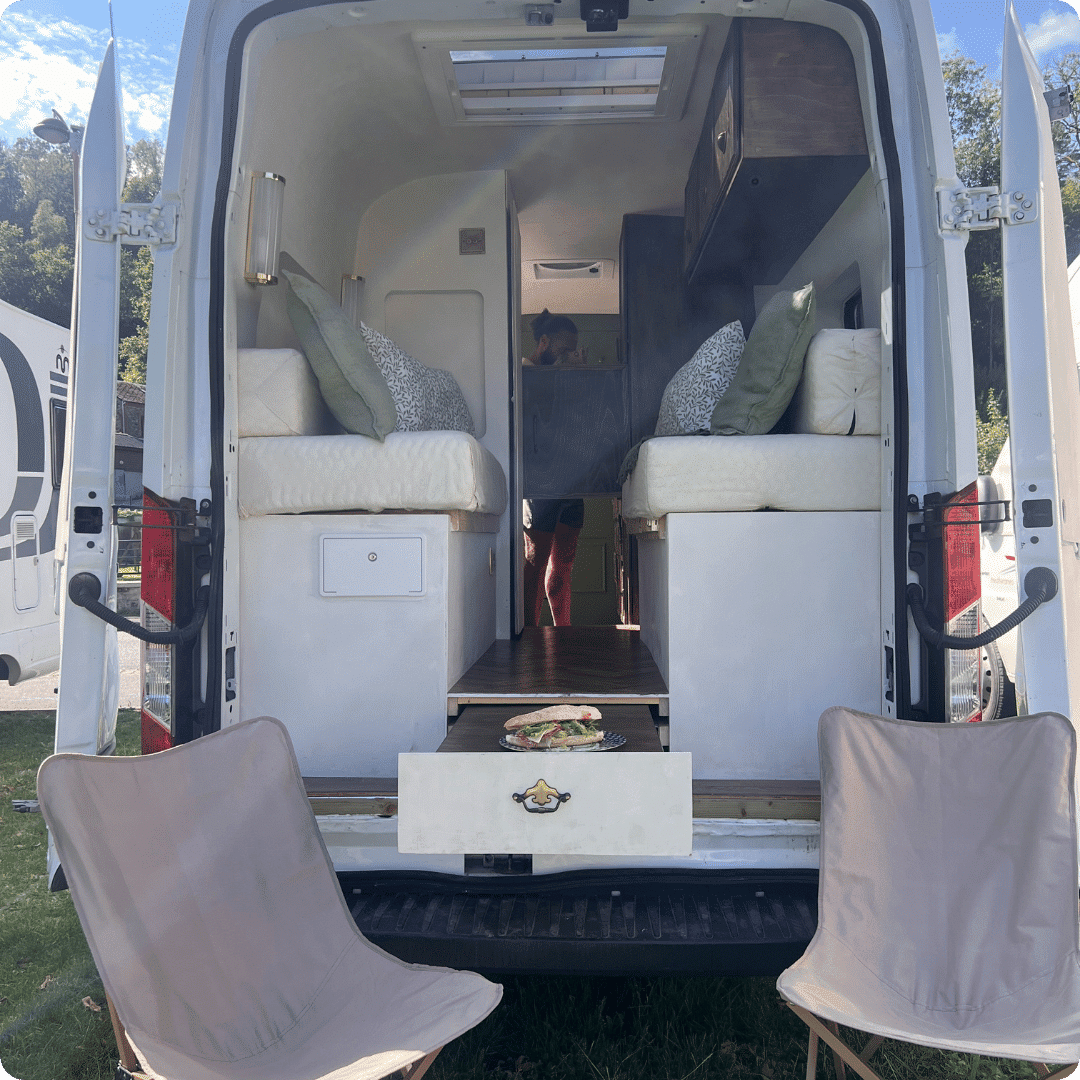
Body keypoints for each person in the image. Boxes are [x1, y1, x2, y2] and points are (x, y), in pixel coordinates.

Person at [522, 310, 585, 626]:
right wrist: (565, 375)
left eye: (572, 351)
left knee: (563, 568)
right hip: (539, 485)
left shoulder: (568, 377)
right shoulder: (522, 374)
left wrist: (580, 378)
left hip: (573, 482)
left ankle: (564, 634)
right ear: (544, 343)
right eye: (563, 350)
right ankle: (528, 641)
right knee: (535, 566)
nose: (567, 356)